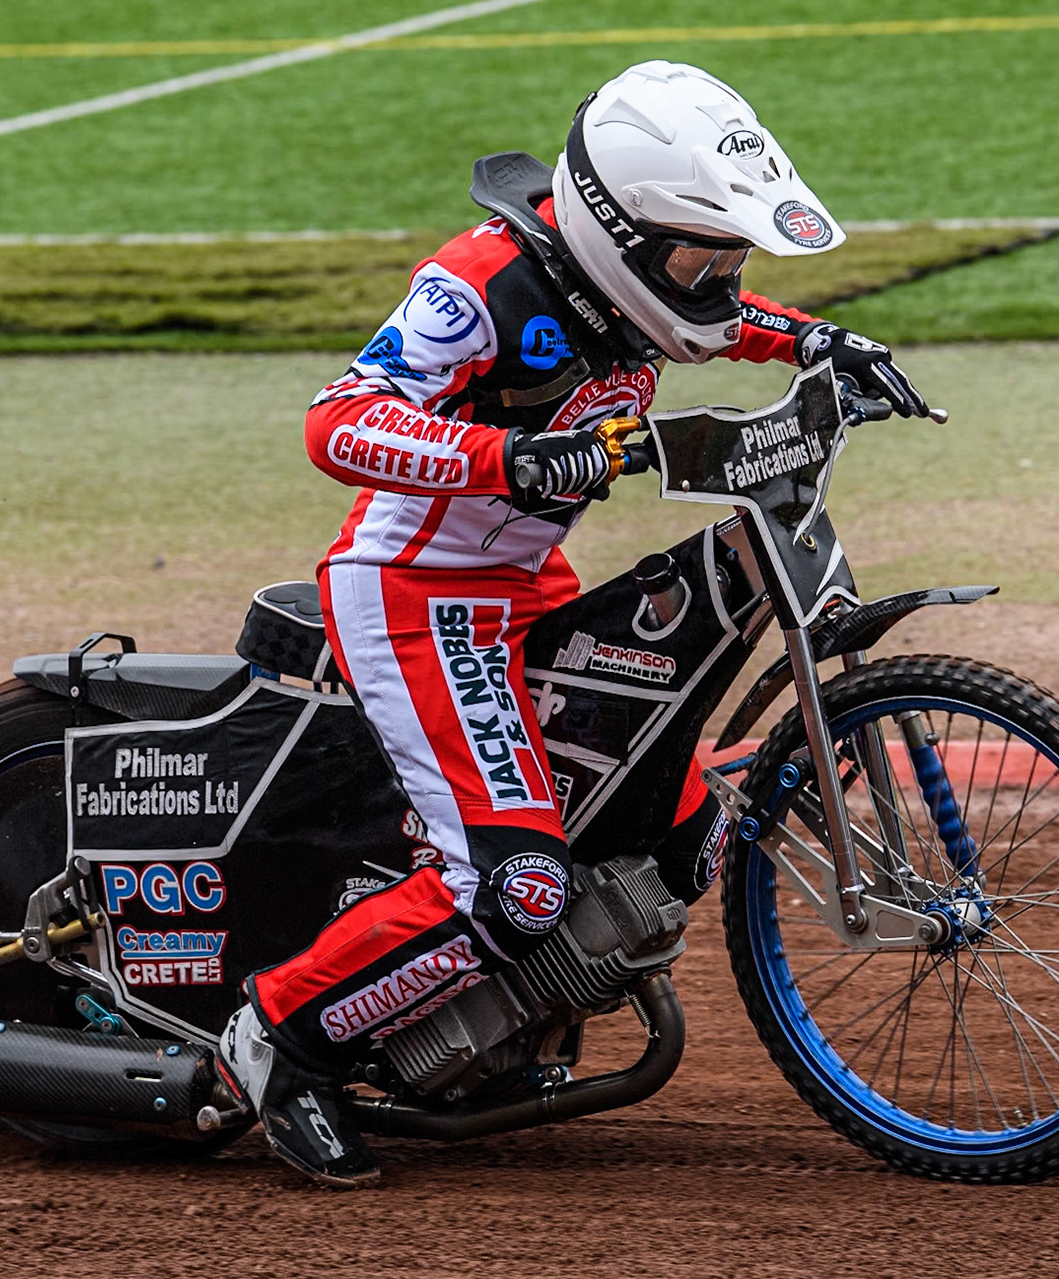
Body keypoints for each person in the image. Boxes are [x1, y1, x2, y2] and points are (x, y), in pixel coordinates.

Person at [217, 60, 928, 1188]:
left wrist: (815, 342)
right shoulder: (477, 287)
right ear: (620, 231)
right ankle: (282, 1043)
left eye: (729, 256)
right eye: (704, 255)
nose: (721, 279)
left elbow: (719, 327)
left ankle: (487, 1018)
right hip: (414, 597)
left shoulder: (643, 285)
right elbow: (337, 421)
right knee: (514, 887)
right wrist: (506, 455)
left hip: (526, 583)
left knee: (685, 832)